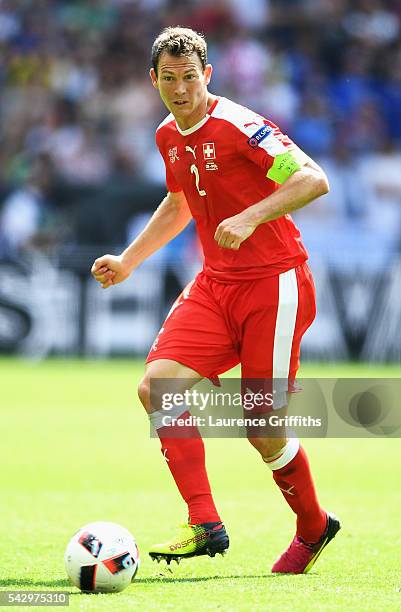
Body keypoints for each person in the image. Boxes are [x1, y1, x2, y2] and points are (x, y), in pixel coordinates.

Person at [91, 27, 341, 574]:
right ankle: (205, 523)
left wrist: (250, 216)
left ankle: (314, 526)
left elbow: (312, 179)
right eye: (170, 80)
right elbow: (179, 201)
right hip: (216, 284)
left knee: (261, 426)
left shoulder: (241, 128)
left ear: (208, 75)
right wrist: (131, 260)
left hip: (274, 284)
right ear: (153, 81)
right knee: (157, 389)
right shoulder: (167, 136)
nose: (181, 90)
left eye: (190, 78)